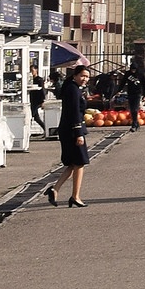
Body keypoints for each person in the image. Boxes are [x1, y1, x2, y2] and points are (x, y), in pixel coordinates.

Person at [44, 64, 92, 207]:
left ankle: (55, 189)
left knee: (72, 164)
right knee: (80, 163)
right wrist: (78, 133)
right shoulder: (72, 90)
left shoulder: (73, 88)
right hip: (72, 131)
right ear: (75, 76)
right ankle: (75, 196)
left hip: (68, 130)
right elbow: (74, 112)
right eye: (82, 76)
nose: (85, 79)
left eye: (87, 77)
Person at [27, 62, 49, 135]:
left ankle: (28, 132)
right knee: (36, 117)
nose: (31, 72)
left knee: (32, 115)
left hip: (37, 100)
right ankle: (46, 130)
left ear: (36, 70)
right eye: (30, 71)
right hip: (32, 99)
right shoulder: (29, 79)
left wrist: (43, 100)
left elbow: (42, 90)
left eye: (32, 70)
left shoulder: (39, 79)